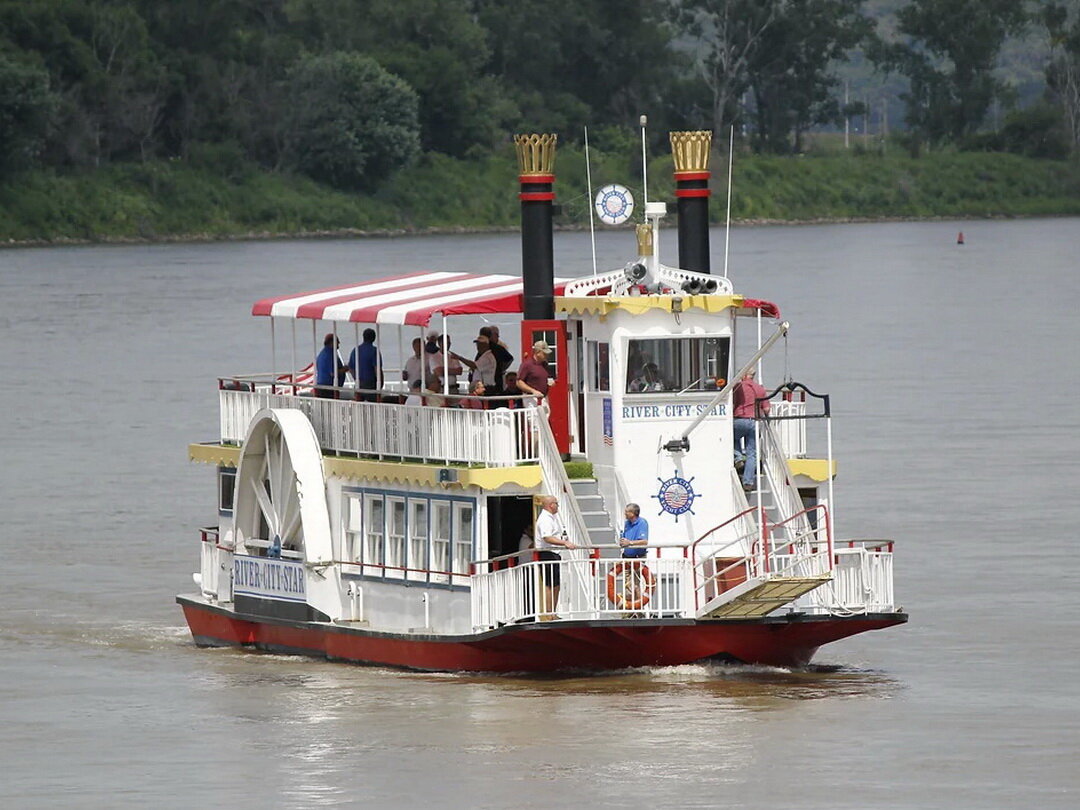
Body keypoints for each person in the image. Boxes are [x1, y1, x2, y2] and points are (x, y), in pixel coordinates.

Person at [534, 495, 576, 619]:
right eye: (556, 503)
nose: (558, 506)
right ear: (551, 505)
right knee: (550, 584)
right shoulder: (545, 519)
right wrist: (565, 543)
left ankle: (553, 612)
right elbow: (547, 537)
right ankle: (549, 613)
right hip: (547, 553)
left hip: (554, 553)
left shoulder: (551, 518)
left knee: (555, 584)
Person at [732, 367, 770, 492]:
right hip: (754, 421)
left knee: (730, 436)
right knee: (752, 453)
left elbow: (733, 403)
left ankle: (737, 458)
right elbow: (766, 409)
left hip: (740, 420)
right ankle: (748, 482)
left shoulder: (738, 387)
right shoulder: (760, 389)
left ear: (743, 375)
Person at [348, 328, 383, 400]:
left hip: (359, 383)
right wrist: (380, 382)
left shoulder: (356, 350)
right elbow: (377, 369)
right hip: (371, 384)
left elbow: (350, 368)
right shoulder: (374, 351)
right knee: (373, 407)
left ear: (363, 337)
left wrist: (356, 378)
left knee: (359, 407)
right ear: (374, 338)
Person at [315, 333, 347, 398]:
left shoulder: (322, 354)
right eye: (337, 341)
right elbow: (333, 373)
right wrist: (344, 369)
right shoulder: (330, 355)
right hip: (328, 388)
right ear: (331, 342)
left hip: (321, 386)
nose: (339, 343)